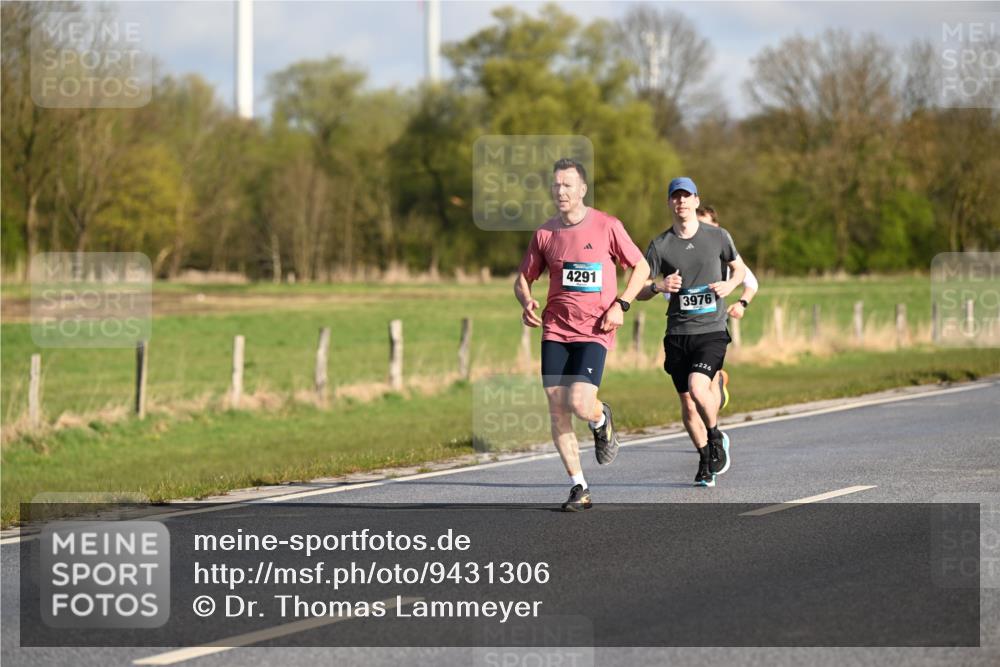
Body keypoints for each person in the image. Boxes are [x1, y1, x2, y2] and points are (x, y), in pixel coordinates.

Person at [515, 158, 650, 511]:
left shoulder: (607, 226)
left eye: (568, 185)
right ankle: (579, 486)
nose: (561, 191)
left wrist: (622, 303)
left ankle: (601, 417)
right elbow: (523, 279)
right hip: (555, 329)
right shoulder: (545, 233)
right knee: (557, 407)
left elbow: (641, 266)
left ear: (582, 189)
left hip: (595, 327)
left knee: (579, 403)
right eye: (556, 185)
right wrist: (527, 300)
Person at [636, 177, 748, 487]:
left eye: (687, 196)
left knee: (699, 387)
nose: (681, 202)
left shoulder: (718, 236)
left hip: (711, 329)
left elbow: (739, 267)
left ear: (696, 201)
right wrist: (658, 287)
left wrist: (730, 284)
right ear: (670, 203)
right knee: (687, 402)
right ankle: (705, 459)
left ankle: (714, 438)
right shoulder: (660, 245)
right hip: (678, 333)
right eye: (676, 197)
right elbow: (638, 289)